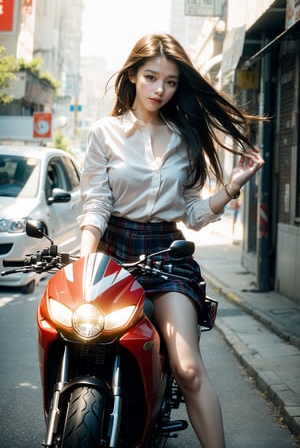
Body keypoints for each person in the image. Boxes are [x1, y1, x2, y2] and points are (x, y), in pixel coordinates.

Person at [77, 33, 265, 448]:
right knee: (84, 342)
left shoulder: (185, 137)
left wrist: (231, 186)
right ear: (132, 75)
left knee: (188, 368)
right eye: (151, 77)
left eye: (171, 82)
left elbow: (195, 215)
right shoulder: (105, 132)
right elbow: (95, 204)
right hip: (111, 247)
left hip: (166, 252)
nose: (160, 89)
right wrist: (84, 262)